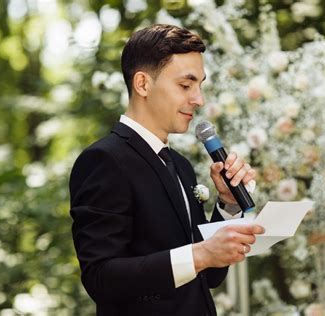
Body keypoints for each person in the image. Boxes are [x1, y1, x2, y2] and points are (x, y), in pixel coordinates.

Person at [69, 24, 264, 316]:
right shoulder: (104, 160)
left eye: (200, 85)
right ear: (143, 84)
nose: (199, 99)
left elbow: (209, 276)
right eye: (185, 85)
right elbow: (101, 277)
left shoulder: (181, 166)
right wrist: (200, 255)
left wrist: (228, 204)